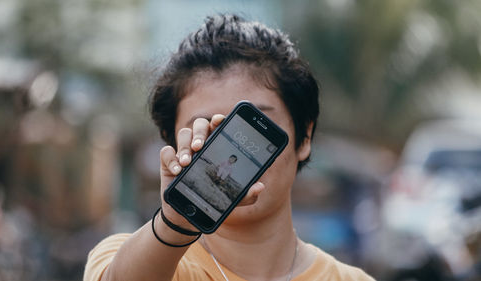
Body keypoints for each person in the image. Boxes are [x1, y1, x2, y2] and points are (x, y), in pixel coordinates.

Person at [83, 14, 375, 281]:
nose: (225, 143)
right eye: (207, 127)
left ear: (305, 137)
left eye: (254, 126)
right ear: (173, 141)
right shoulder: (135, 260)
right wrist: (176, 221)